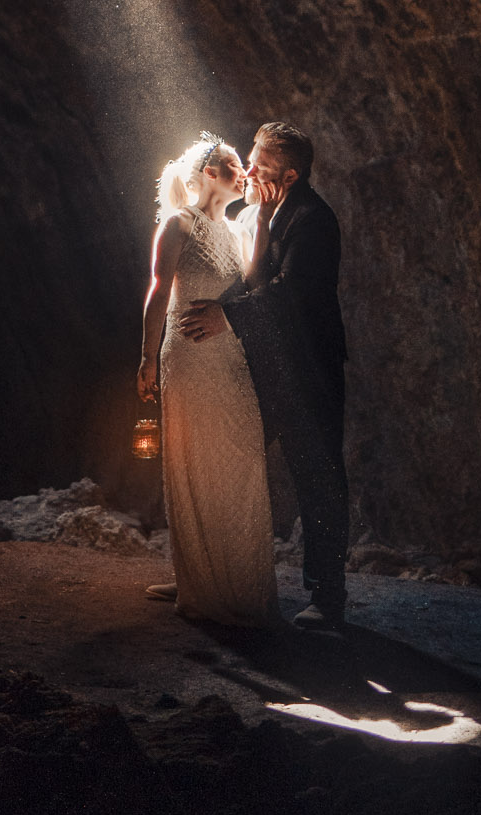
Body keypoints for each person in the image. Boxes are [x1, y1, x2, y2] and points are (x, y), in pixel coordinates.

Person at [180, 120, 349, 631]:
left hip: (307, 374)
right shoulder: (261, 212)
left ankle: (327, 597)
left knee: (318, 479)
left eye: (262, 163)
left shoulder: (313, 220)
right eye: (251, 158)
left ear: (291, 174)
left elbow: (293, 291)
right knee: (228, 462)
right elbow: (250, 278)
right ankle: (209, 579)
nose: (249, 169)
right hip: (265, 367)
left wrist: (226, 316)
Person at [137, 132, 279, 627]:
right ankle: (197, 579)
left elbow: (256, 287)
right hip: (190, 360)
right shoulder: (179, 224)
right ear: (208, 174)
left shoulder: (240, 228)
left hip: (231, 361)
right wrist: (147, 359)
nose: (245, 171)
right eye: (234, 163)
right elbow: (158, 292)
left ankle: (236, 579)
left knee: (239, 462)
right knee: (193, 461)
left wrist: (260, 213)